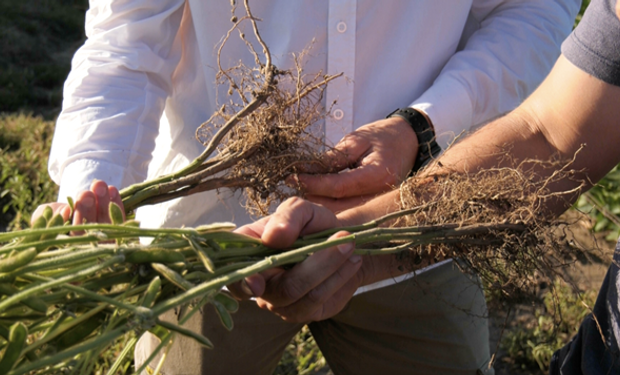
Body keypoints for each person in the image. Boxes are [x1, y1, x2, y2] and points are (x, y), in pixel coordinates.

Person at [35, 1, 581, 374]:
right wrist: (96, 179)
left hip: (413, 221)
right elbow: (126, 44)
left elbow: (530, 10)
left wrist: (425, 122)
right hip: (212, 242)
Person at [233, 0, 620, 374]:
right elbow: (550, 135)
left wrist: (427, 123)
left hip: (424, 265)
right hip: (222, 227)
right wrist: (358, 242)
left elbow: (536, 16)